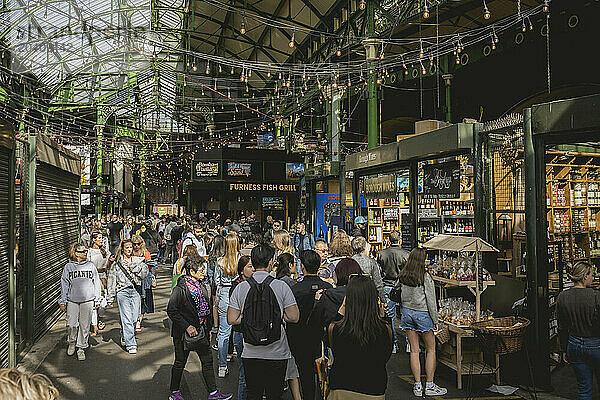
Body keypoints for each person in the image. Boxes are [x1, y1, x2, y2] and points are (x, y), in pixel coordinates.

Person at [227, 244, 300, 400]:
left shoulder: (241, 288)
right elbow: (294, 317)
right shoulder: (281, 286)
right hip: (278, 352)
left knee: (253, 393)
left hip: (251, 352)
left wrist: (249, 318)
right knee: (275, 394)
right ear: (271, 261)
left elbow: (231, 319)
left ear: (253, 262)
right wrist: (276, 316)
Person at [167, 255, 232, 400]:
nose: (205, 272)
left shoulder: (202, 286)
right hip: (183, 334)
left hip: (201, 331)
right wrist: (187, 326)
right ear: (191, 271)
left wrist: (208, 329)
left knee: (207, 362)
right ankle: (174, 392)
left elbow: (207, 309)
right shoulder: (180, 288)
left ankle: (213, 393)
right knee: (180, 362)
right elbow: (172, 310)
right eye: (202, 270)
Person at [325, 275, 393, 399]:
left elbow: (329, 343)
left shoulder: (335, 329)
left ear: (348, 299)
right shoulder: (385, 329)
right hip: (374, 389)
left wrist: (342, 309)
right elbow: (385, 356)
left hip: (341, 389)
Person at [399, 248, 447, 396]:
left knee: (414, 350)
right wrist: (435, 320)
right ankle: (430, 385)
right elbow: (431, 300)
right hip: (423, 313)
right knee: (430, 349)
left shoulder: (403, 275)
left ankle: (418, 386)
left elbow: (397, 291)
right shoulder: (425, 276)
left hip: (407, 312)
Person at [287, 250, 333, 400]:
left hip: (300, 338)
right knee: (325, 374)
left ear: (302, 267)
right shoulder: (328, 288)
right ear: (319, 266)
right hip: (322, 338)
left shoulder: (294, 290)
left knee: (306, 375)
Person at [557, 261, 600, 400]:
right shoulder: (595, 296)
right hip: (595, 344)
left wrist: (564, 349)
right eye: (591, 275)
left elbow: (562, 327)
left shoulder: (563, 296)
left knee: (584, 389)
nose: (593, 278)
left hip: (573, 345)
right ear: (584, 276)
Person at [59, 242, 101, 361]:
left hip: (87, 300)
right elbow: (64, 284)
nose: (85, 253)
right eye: (82, 251)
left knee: (84, 325)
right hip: (72, 299)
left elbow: (96, 283)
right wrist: (63, 300)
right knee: (71, 324)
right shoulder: (68, 266)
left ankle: (81, 347)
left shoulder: (91, 266)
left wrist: (97, 299)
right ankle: (72, 342)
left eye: (86, 251)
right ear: (76, 253)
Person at [106, 239, 149, 354]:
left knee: (135, 318)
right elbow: (111, 279)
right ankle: (131, 344)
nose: (130, 249)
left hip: (135, 291)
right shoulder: (117, 264)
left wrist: (133, 266)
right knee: (127, 319)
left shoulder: (138, 260)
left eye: (131, 247)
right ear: (123, 249)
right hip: (122, 292)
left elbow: (145, 274)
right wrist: (110, 297)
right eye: (127, 247)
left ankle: (125, 333)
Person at [273, 253, 302, 400]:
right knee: (291, 369)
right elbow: (294, 314)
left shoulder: (275, 281)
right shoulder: (290, 284)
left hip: (276, 332)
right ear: (290, 265)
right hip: (287, 331)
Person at [308, 258, 362, 335]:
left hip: (336, 341)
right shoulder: (364, 293)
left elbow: (314, 324)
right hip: (362, 340)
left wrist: (317, 301)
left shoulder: (328, 295)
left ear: (339, 274)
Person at [377, 230, 409, 353]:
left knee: (389, 317)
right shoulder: (406, 254)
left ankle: (393, 343)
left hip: (387, 286)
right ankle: (409, 343)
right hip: (403, 286)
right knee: (405, 314)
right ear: (400, 240)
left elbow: (379, 271)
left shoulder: (382, 253)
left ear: (389, 240)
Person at [214, 232, 240, 377]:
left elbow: (216, 281)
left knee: (223, 333)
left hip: (224, 294)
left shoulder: (220, 261)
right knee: (240, 330)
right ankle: (242, 362)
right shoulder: (241, 260)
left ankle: (222, 366)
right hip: (238, 294)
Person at [230, 256, 254, 400]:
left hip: (252, 332)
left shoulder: (256, 284)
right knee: (244, 373)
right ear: (241, 270)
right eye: (249, 266)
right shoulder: (236, 286)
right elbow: (233, 316)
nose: (253, 269)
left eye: (253, 266)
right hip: (240, 333)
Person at [87, 232, 111, 334]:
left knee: (103, 303)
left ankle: (100, 318)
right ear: (94, 240)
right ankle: (94, 325)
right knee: (93, 303)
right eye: (99, 238)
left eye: (102, 238)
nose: (101, 240)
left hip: (103, 278)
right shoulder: (88, 252)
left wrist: (110, 261)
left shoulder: (105, 251)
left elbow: (108, 266)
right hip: (91, 279)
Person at [132, 235, 155, 332]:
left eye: (138, 244)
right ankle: (134, 320)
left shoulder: (146, 253)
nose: (136, 246)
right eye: (134, 244)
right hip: (132, 280)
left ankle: (138, 322)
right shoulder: (129, 253)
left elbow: (149, 268)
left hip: (144, 281)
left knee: (143, 302)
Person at [351, 236, 386, 301]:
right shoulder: (371, 262)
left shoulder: (350, 261)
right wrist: (383, 300)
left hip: (353, 295)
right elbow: (378, 284)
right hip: (369, 296)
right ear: (364, 248)